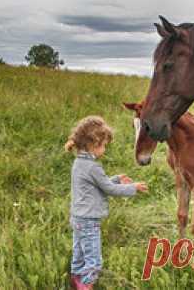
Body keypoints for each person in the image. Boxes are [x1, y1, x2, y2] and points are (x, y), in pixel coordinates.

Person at [65, 115, 148, 289]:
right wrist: (133, 187)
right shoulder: (93, 167)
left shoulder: (79, 163)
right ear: (93, 144)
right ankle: (86, 285)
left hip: (78, 218)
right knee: (94, 261)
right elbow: (109, 189)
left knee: (79, 252)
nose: (104, 149)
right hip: (89, 221)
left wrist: (117, 178)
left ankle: (76, 278)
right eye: (103, 146)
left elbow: (99, 185)